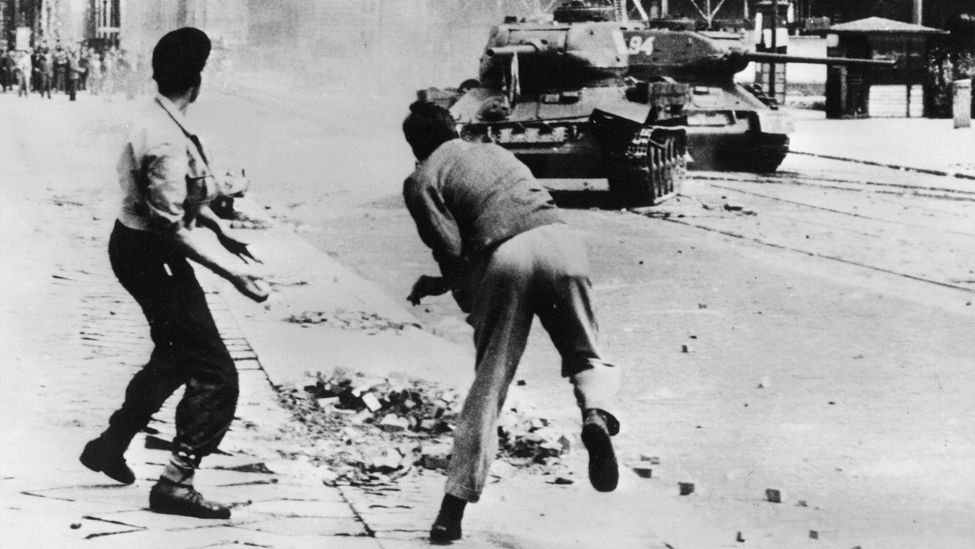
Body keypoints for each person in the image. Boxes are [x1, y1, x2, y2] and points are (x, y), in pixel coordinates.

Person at [400, 101, 622, 543]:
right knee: (587, 356)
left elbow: (453, 248)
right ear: (455, 128)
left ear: (414, 147)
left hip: (508, 259)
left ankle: (451, 512)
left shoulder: (422, 178)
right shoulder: (493, 149)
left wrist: (460, 291)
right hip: (562, 241)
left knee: (490, 382)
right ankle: (596, 415)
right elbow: (510, 208)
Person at [79, 27, 269, 520]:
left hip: (138, 248)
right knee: (217, 372)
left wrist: (219, 228)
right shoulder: (164, 135)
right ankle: (175, 484)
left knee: (175, 354)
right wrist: (234, 275)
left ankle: (111, 444)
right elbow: (171, 227)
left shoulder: (157, 117)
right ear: (198, 80)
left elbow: (178, 200)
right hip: (151, 255)